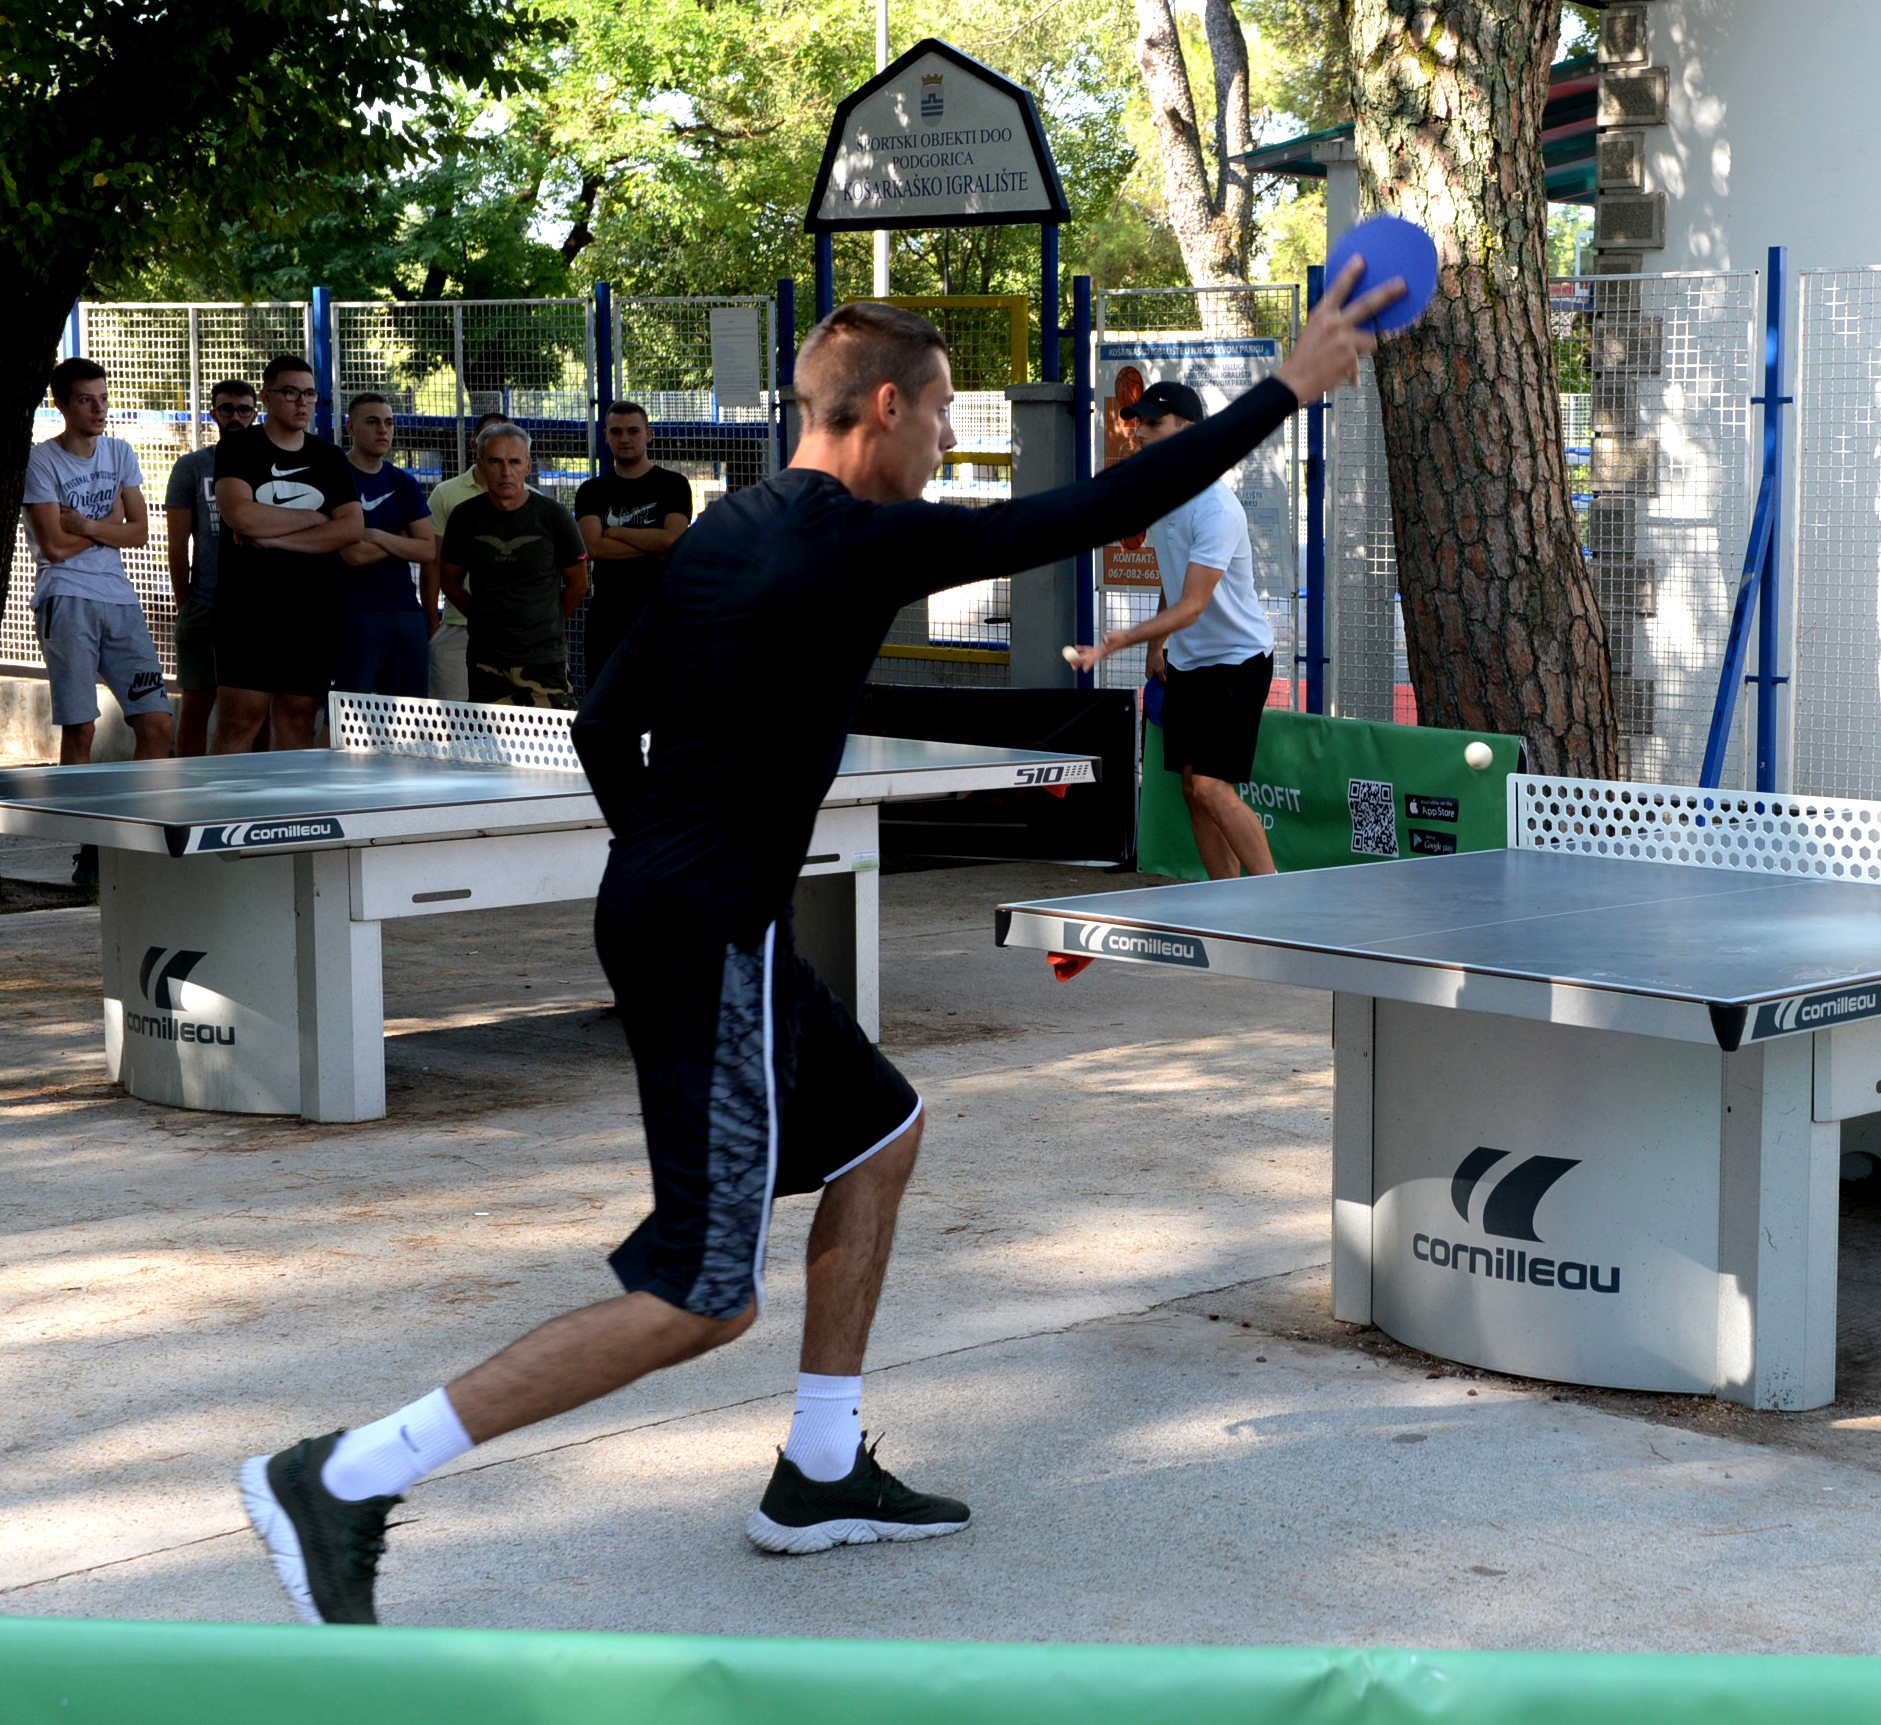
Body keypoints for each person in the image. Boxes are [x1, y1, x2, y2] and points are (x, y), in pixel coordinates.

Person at [237, 266, 1395, 1627]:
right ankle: (345, 1475)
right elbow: (1100, 508)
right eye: (944, 416)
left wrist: (675, 859)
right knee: (699, 1292)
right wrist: (1288, 386)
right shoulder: (850, 538)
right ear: (886, 406)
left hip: (688, 908)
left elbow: (607, 729)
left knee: (879, 1135)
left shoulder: (723, 533)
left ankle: (821, 1468)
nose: (949, 444)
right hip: (705, 929)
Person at [1065, 380, 1279, 879]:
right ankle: (1228, 902)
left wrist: (1122, 639)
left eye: (1154, 423)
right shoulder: (1163, 496)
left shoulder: (1217, 507)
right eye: (1138, 422)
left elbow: (1193, 605)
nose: (1139, 433)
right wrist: (1157, 646)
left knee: (1209, 785)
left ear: (1189, 431)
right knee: (1192, 790)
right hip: (1187, 663)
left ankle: (1275, 897)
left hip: (1238, 662)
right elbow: (1175, 579)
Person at [24, 358, 168, 886]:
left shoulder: (120, 452)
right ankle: (91, 848)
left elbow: (140, 532)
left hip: (121, 600)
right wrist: (106, 527)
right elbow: (55, 548)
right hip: (67, 599)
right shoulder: (42, 463)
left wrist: (86, 522)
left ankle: (143, 834)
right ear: (61, 404)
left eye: (103, 399)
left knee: (156, 722)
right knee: (80, 728)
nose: (99, 409)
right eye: (86, 400)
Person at [213, 356, 362, 752]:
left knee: (298, 718)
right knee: (241, 719)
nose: (302, 402)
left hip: (313, 611)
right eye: (291, 392)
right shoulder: (239, 447)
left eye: (310, 393)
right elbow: (241, 515)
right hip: (249, 610)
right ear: (266, 396)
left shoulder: (329, 457)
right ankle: (222, 811)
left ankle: (292, 813)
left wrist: (276, 538)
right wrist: (313, 518)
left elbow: (350, 527)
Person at [437, 422, 588, 708]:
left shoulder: (554, 517)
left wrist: (550, 622)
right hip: (486, 657)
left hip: (542, 657)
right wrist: (482, 619)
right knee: (488, 746)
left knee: (553, 746)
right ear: (480, 464)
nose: (506, 472)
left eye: (515, 462)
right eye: (495, 462)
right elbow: (449, 582)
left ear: (528, 467)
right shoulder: (464, 517)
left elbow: (579, 583)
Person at [164, 378, 258, 754]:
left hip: (258, 606)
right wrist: (185, 600)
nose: (235, 417)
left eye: (243, 409)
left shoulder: (269, 463)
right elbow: (176, 541)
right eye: (226, 409)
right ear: (213, 414)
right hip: (205, 604)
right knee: (196, 704)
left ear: (255, 412)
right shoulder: (192, 467)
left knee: (255, 708)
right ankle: (188, 788)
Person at [573, 400, 693, 691]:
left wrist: (615, 531)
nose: (624, 438)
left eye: (633, 431)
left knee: (664, 706)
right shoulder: (592, 491)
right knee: (605, 708)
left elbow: (673, 540)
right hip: (607, 619)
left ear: (648, 435)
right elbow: (594, 548)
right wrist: (655, 543)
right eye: (616, 431)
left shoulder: (674, 485)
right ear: (606, 436)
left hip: (661, 616)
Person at [336, 394, 439, 698]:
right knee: (346, 719)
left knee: (410, 718)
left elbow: (427, 550)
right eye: (373, 422)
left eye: (389, 423)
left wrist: (378, 535)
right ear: (350, 427)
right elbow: (353, 554)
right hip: (354, 612)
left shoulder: (403, 482)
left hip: (406, 611)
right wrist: (403, 539)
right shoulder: (336, 476)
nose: (383, 430)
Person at [425, 411, 516, 702]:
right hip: (458, 629)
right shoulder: (445, 494)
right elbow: (432, 561)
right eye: (492, 439)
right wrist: (432, 623)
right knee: (450, 726)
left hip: (515, 632)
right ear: (475, 445)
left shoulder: (532, 499)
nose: (501, 448)